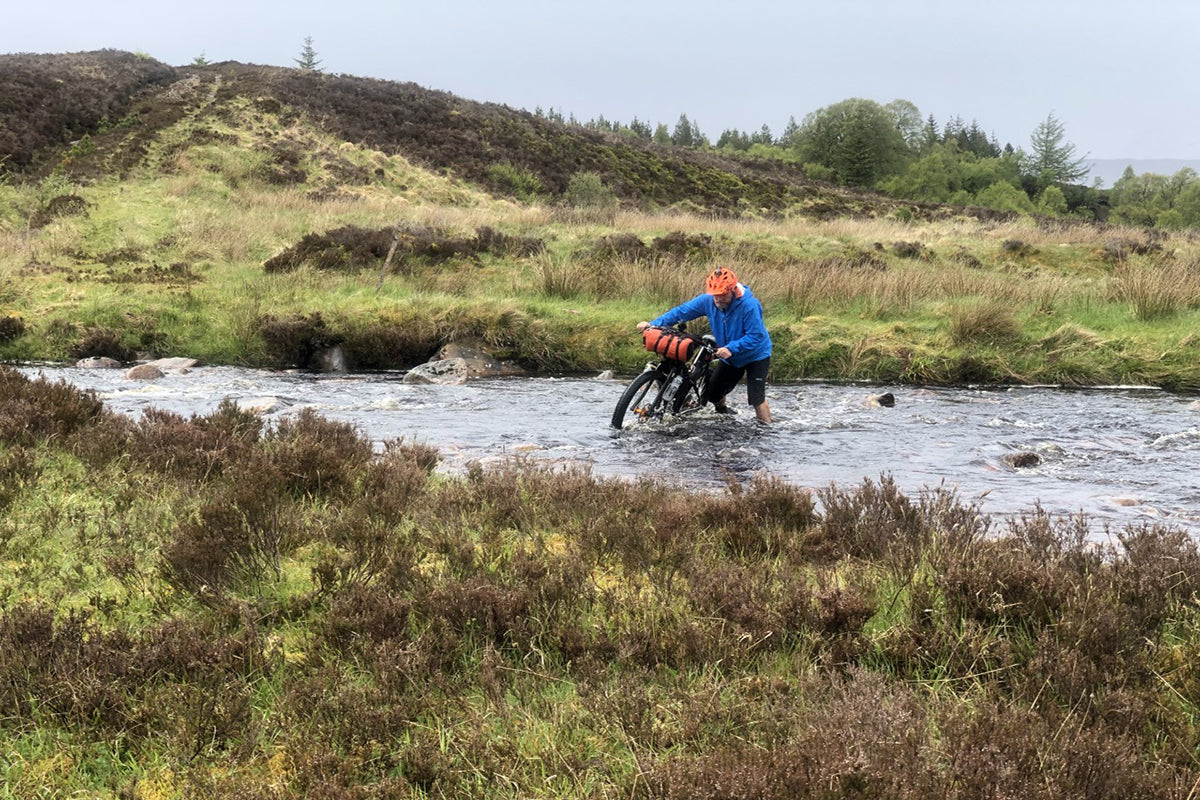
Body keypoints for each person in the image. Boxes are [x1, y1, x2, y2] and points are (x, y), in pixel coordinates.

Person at [637, 267, 773, 423]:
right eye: (715, 295)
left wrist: (731, 348)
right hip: (729, 355)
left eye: (723, 295)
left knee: (756, 398)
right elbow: (681, 312)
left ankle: (767, 431)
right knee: (713, 393)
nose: (718, 299)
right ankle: (723, 414)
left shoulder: (749, 305)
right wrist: (653, 324)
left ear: (733, 290)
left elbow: (755, 336)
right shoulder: (708, 301)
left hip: (756, 355)